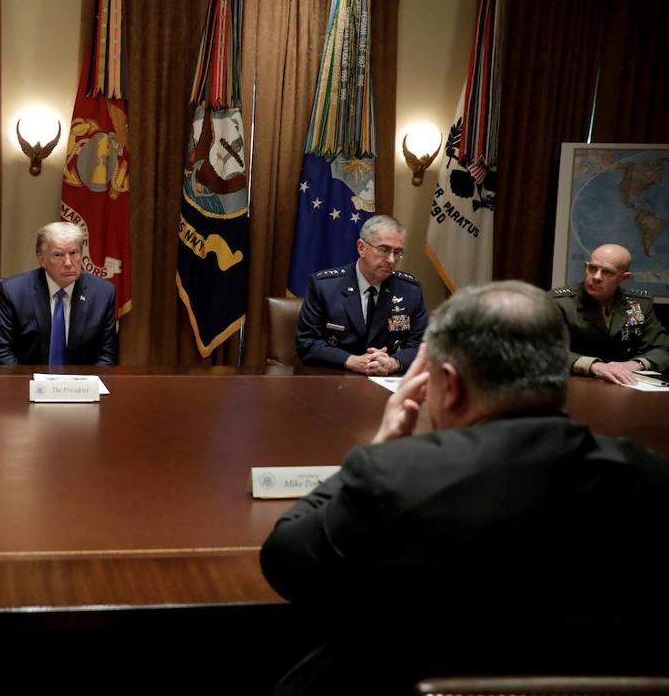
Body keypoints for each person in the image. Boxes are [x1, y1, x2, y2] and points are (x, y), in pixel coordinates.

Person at [262, 281, 669, 695]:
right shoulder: (649, 476)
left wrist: (381, 445)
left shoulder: (395, 475)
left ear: (450, 384)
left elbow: (285, 561)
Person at [294, 214, 427, 374]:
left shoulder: (410, 290)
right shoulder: (325, 286)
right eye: (384, 249)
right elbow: (307, 343)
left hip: (387, 380)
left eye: (397, 252)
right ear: (361, 248)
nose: (392, 260)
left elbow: (421, 346)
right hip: (336, 378)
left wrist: (394, 363)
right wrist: (349, 360)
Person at [0, 221, 118, 366]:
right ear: (42, 260)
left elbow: (107, 355)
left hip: (82, 380)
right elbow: (1, 351)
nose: (68, 263)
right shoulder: (14, 292)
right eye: (58, 255)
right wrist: (25, 380)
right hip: (28, 378)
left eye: (74, 253)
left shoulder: (103, 293)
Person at [551, 243, 669, 385]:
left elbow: (662, 348)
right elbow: (544, 350)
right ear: (586, 267)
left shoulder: (639, 304)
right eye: (592, 268)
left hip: (626, 385)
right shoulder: (560, 302)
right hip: (575, 383)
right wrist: (593, 366)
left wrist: (635, 364)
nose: (596, 277)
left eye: (607, 272)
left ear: (623, 278)